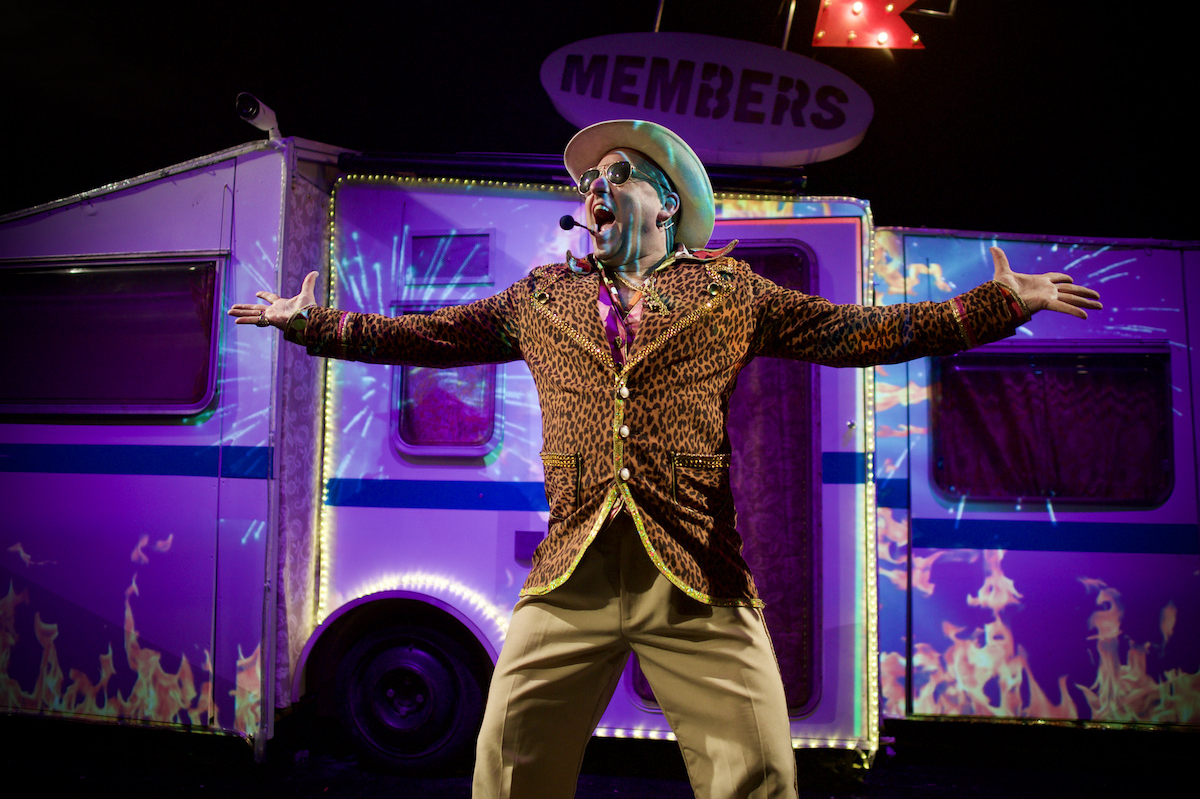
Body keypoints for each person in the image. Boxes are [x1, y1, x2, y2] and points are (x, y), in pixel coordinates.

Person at [229, 119, 1102, 798]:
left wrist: (995, 305)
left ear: (668, 202)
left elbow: (860, 333)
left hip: (694, 573)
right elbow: (425, 332)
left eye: (618, 175)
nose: (596, 189)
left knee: (757, 774)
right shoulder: (542, 297)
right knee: (508, 764)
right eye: (588, 182)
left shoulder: (731, 292)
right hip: (569, 575)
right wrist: (311, 323)